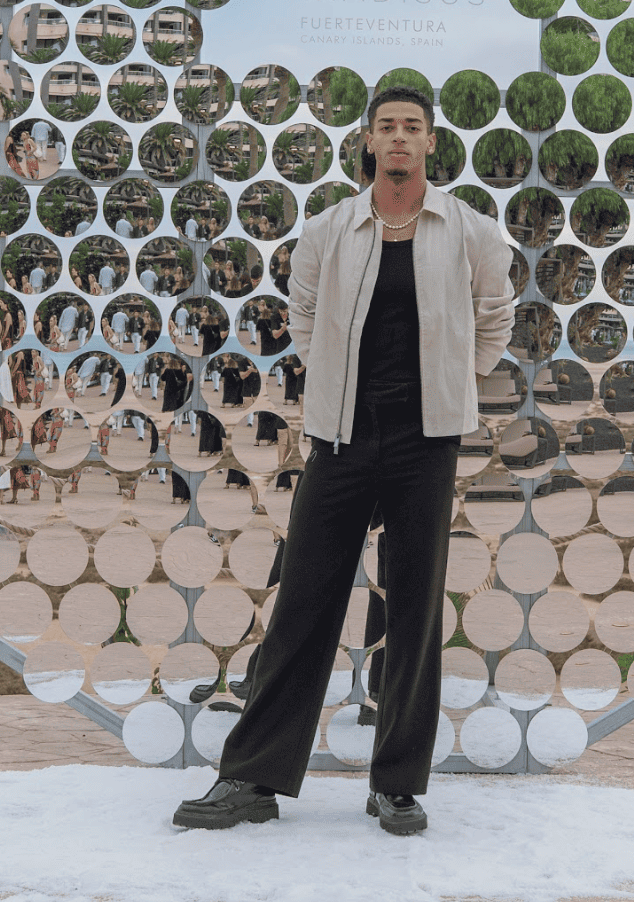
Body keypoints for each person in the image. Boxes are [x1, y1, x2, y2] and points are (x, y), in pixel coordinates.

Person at [173, 84, 514, 837]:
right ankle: (252, 777)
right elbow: (301, 314)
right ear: (366, 141)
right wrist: (331, 379)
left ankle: (396, 784)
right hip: (341, 437)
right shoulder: (331, 228)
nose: (399, 139)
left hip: (426, 442)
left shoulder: (469, 232)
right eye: (387, 127)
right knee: (303, 602)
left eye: (412, 128)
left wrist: (454, 383)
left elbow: (495, 318)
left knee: (414, 608)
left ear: (431, 143)